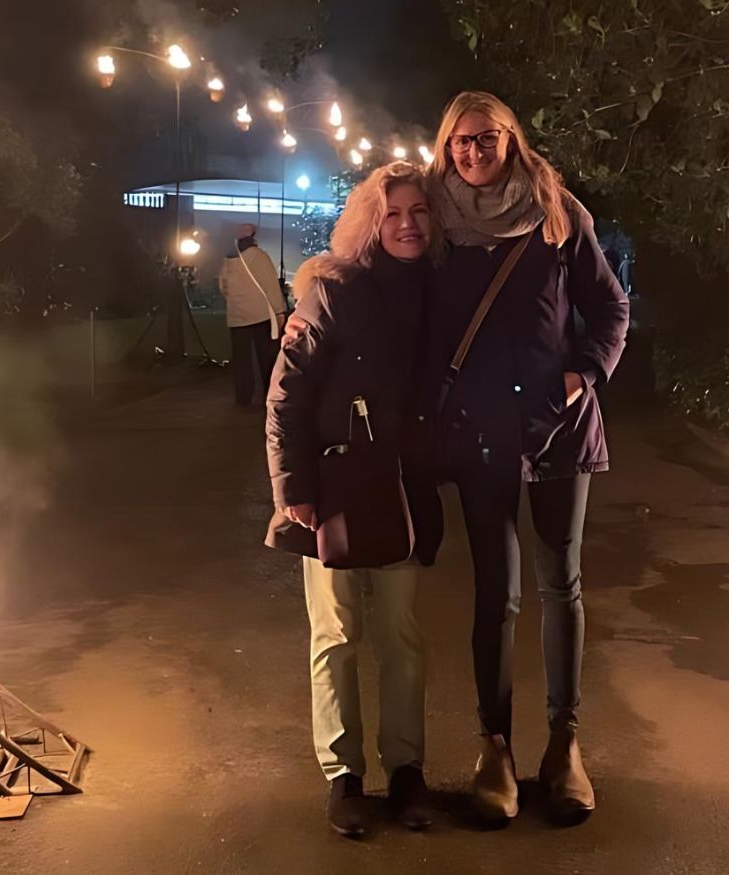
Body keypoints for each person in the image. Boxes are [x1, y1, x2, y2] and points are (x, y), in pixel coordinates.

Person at [424, 91, 629, 823]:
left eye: (484, 139)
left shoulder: (557, 214)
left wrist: (583, 376)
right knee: (495, 593)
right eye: (458, 143)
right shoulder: (438, 221)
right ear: (445, 149)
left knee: (560, 583)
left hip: (560, 428)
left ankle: (564, 742)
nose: (471, 154)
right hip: (481, 434)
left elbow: (610, 308)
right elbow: (391, 289)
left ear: (511, 138)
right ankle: (495, 747)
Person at [264, 162, 440, 837]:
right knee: (335, 634)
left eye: (419, 210)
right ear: (370, 219)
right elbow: (286, 396)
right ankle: (343, 776)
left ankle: (407, 771)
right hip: (334, 489)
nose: (407, 223)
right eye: (392, 212)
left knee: (402, 634)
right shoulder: (332, 292)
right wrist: (292, 491)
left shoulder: (438, 291)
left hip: (402, 489)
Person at [219, 223, 287, 407]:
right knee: (267, 358)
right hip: (261, 315)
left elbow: (223, 287)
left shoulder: (228, 259)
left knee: (242, 361)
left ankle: (243, 397)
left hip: (237, 317)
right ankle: (269, 395)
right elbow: (271, 286)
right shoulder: (260, 257)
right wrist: (279, 310)